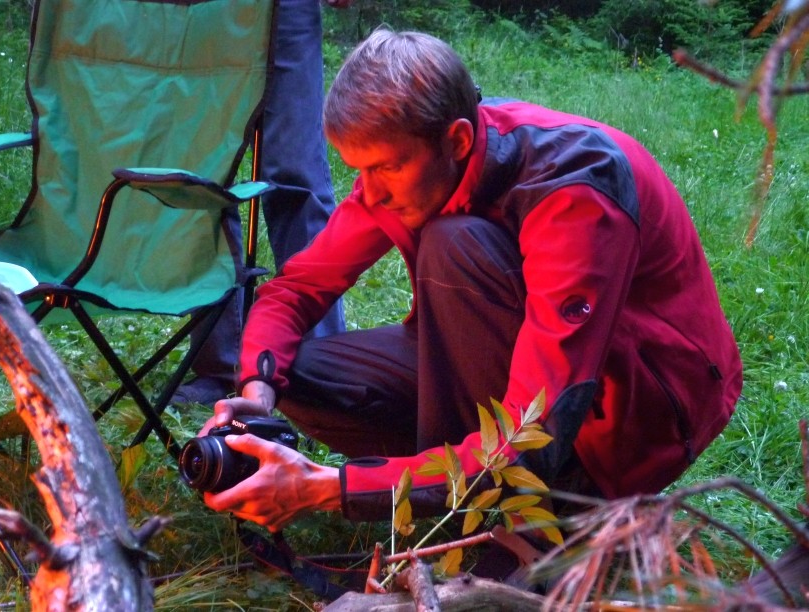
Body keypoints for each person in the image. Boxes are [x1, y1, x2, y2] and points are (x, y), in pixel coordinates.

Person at [198, 29, 743, 532]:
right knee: (302, 370)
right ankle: (456, 484)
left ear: (457, 141)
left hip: (631, 409)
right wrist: (258, 392)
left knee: (453, 246)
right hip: (519, 369)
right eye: (356, 169)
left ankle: (549, 506)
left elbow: (536, 434)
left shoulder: (573, 189)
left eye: (384, 168)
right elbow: (294, 292)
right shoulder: (415, 164)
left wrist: (330, 488)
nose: (370, 192)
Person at [173, 0, 350, 405]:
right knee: (204, 178)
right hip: (203, 9)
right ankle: (218, 365)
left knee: (296, 174)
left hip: (286, 7)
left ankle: (323, 373)